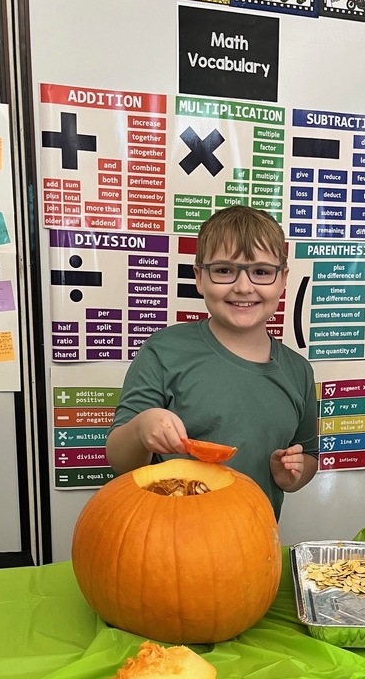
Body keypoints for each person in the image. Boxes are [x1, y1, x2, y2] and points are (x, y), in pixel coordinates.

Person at [107, 205, 319, 520]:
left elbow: (309, 455)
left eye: (261, 272)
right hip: (166, 536)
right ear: (199, 277)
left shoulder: (298, 371)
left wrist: (291, 474)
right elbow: (119, 460)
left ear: (282, 278)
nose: (243, 287)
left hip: (256, 537)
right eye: (224, 270)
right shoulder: (164, 351)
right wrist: (141, 428)